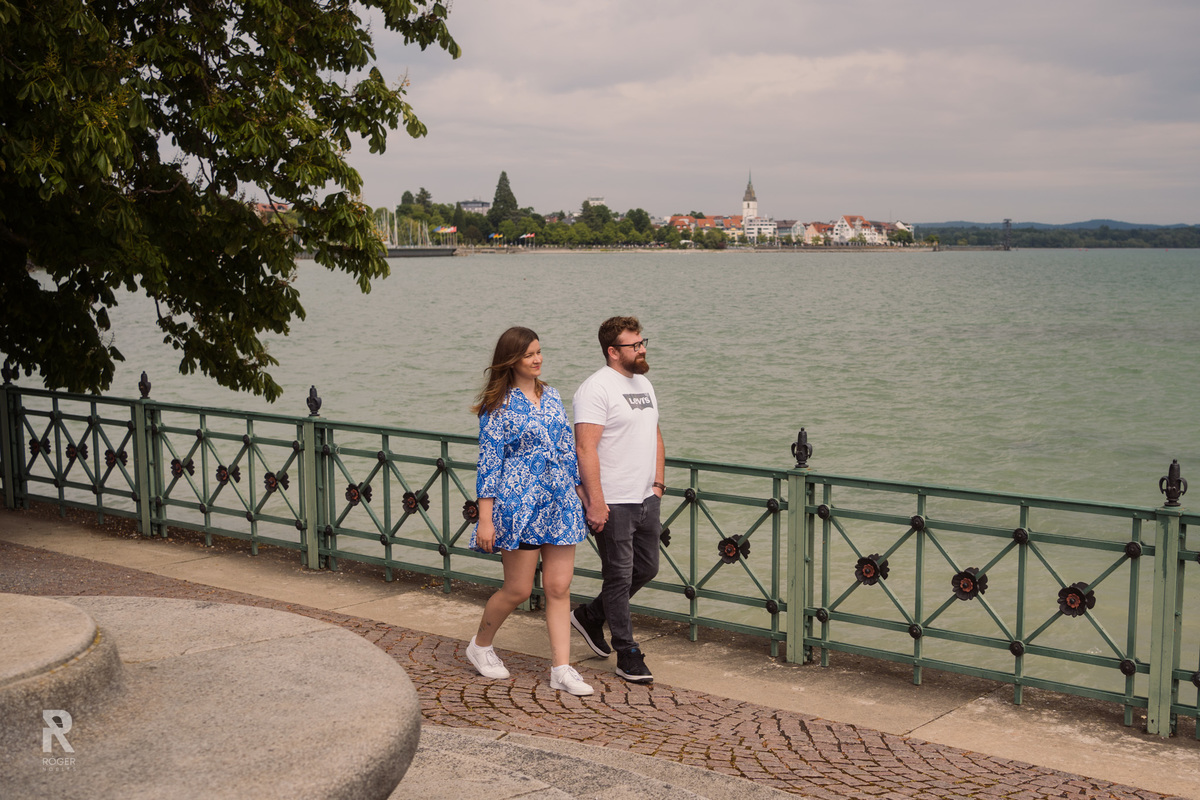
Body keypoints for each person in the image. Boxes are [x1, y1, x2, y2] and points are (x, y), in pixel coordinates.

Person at [465, 326, 593, 696]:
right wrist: (485, 519)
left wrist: (583, 496)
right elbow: (489, 464)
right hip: (518, 505)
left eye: (538, 352)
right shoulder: (497, 406)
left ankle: (561, 670)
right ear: (511, 360)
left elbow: (567, 450)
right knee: (519, 589)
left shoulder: (551, 396)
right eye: (529, 354)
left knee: (559, 587)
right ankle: (481, 645)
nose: (537, 359)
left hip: (559, 501)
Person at [570, 316, 665, 683]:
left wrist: (658, 483)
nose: (642, 350)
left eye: (643, 343)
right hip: (613, 502)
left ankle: (590, 616)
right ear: (613, 351)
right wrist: (596, 502)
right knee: (619, 576)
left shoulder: (644, 383)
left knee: (647, 569)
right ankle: (627, 652)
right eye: (634, 345)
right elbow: (585, 448)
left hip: (645, 498)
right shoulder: (595, 389)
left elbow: (655, 432)